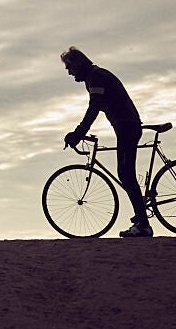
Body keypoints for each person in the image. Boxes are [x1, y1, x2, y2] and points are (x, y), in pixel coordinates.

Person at [60, 46, 151, 236]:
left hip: (127, 127)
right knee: (125, 174)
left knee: (126, 175)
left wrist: (78, 133)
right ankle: (140, 215)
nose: (69, 72)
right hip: (127, 126)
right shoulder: (94, 76)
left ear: (78, 63)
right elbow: (96, 107)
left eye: (70, 67)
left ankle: (143, 225)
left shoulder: (96, 76)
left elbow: (93, 108)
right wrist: (80, 132)